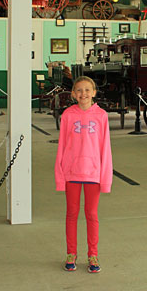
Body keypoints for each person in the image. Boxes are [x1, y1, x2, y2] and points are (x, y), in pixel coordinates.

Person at [54, 76, 113, 273]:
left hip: (93, 174)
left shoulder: (102, 115)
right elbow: (61, 146)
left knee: (91, 214)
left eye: (87, 90)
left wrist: (106, 180)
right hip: (71, 172)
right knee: (71, 214)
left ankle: (93, 255)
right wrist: (60, 177)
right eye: (79, 90)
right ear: (73, 94)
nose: (83, 94)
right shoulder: (68, 115)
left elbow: (105, 149)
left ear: (94, 93)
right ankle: (71, 253)